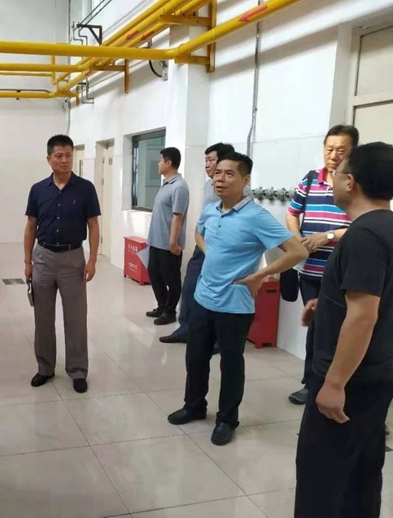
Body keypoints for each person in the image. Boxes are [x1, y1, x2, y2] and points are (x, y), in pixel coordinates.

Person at [167, 152, 308, 446]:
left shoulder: (256, 217)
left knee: (231, 365)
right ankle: (194, 406)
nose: (220, 178)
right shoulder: (211, 209)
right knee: (195, 358)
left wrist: (260, 275)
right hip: (203, 298)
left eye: (229, 173)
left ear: (245, 180)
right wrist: (211, 253)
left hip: (234, 306)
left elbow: (298, 251)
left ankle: (227, 420)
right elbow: (198, 232)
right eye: (218, 172)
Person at [295, 142, 393, 518]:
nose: (332, 180)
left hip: (352, 380)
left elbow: (363, 316)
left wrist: (334, 384)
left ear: (350, 182)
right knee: (361, 475)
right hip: (378, 374)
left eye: (336, 175)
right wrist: (328, 307)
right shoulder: (385, 228)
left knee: (321, 479)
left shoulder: (363, 236)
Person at [286, 125, 358, 405]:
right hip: (311, 271)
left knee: (342, 330)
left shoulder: (357, 184)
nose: (334, 155)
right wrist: (297, 240)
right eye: (329, 149)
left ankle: (341, 385)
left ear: (352, 152)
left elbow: (363, 226)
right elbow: (292, 214)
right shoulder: (309, 180)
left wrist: (327, 236)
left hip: (344, 272)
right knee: (316, 329)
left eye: (341, 150)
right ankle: (312, 383)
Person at [24, 134, 101, 394]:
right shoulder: (38, 190)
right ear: (49, 159)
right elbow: (30, 226)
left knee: (76, 318)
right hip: (43, 258)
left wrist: (92, 260)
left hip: (73, 258)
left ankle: (78, 371)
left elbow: (93, 225)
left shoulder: (86, 188)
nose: (64, 160)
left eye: (68, 155)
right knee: (43, 318)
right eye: (59, 156)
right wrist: (27, 261)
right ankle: (45, 367)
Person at [160, 142, 236, 344]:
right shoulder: (208, 184)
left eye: (211, 160)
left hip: (225, 251)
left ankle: (217, 339)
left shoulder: (240, 189)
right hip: (203, 246)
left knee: (220, 293)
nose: (207, 164)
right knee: (190, 286)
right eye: (206, 160)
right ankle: (185, 329)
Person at [145, 147, 190, 326]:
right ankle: (162, 306)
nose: (158, 163)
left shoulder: (179, 187)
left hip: (168, 244)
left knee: (172, 279)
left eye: (160, 160)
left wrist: (173, 242)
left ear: (169, 163)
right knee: (154, 274)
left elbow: (178, 216)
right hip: (156, 242)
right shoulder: (166, 184)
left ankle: (170, 312)